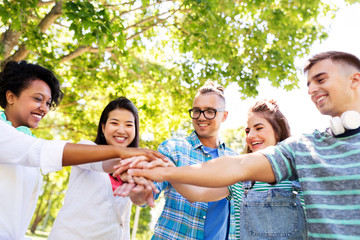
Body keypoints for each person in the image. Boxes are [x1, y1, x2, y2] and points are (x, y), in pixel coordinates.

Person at [128, 51, 360, 239]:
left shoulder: (297, 172)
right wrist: (164, 169)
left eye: (320, 80)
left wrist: (165, 171)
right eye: (248, 130)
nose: (310, 90)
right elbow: (211, 183)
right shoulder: (301, 150)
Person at [0, 61, 164, 240]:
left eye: (48, 103)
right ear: (11, 97)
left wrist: (133, 168)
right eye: (38, 99)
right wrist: (124, 153)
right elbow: (47, 150)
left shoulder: (24, 139)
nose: (44, 108)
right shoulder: (5, 134)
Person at [158, 99, 307, 239]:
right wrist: (168, 170)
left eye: (259, 128)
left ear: (278, 130)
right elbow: (196, 194)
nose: (251, 136)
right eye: (247, 131)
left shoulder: (300, 172)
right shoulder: (240, 180)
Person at [126, 81, 237, 239]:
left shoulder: (234, 161)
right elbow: (144, 195)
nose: (201, 117)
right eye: (197, 111)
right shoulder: (173, 149)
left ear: (224, 115)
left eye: (210, 111)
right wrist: (135, 187)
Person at [49, 97, 143, 239]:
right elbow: (102, 163)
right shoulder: (86, 149)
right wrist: (136, 162)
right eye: (114, 123)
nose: (121, 130)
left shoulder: (131, 170)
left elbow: (123, 220)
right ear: (103, 127)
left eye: (129, 125)